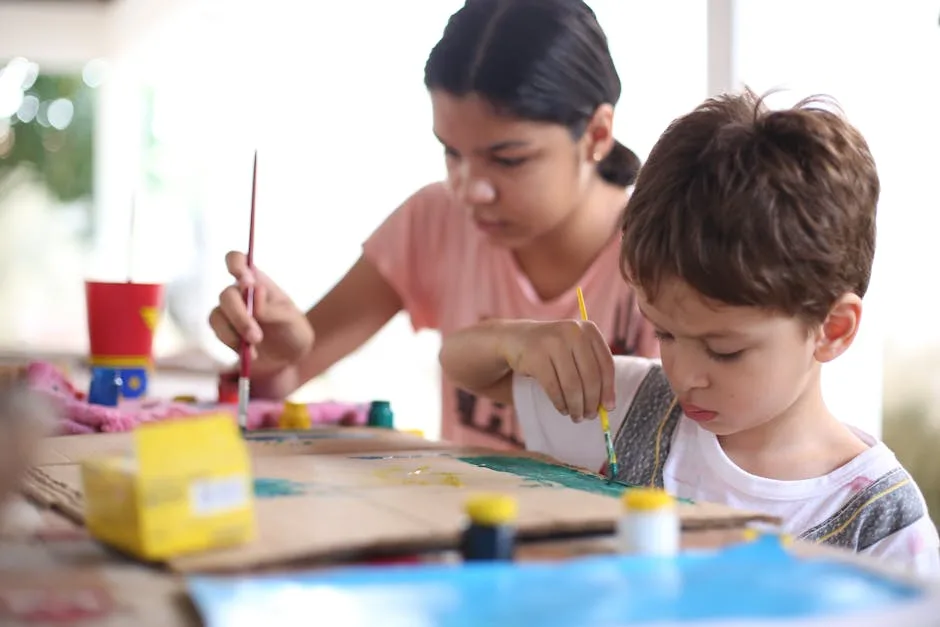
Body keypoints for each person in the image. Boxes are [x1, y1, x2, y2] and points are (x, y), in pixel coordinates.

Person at [439, 89, 940, 574]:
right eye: (665, 334)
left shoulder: (883, 526)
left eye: (724, 351)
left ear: (832, 329)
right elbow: (466, 368)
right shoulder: (637, 409)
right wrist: (518, 340)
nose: (685, 375)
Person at [208, 0, 658, 450]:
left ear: (597, 134)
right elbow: (276, 387)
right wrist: (271, 357)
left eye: (508, 159)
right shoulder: (437, 218)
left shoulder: (665, 254)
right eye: (452, 153)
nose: (470, 189)